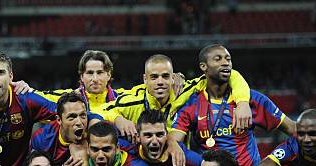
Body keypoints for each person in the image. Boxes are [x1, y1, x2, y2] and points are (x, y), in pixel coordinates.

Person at [170, 44, 316, 166]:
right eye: (218, 59)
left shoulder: (253, 100)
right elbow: (174, 143)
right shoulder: (191, 104)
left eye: (228, 59)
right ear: (204, 66)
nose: (225, 63)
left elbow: (293, 129)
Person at [96, 53, 252, 148]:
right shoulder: (132, 101)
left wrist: (243, 102)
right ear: (145, 79)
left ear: (172, 77)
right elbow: (97, 112)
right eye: (154, 77)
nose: (160, 82)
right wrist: (118, 119)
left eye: (165, 76)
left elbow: (229, 74)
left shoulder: (185, 91)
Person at [37, 50, 128, 112]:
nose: (95, 79)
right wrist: (24, 87)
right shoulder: (67, 99)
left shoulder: (123, 99)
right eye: (90, 73)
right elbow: (35, 97)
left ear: (108, 75)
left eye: (100, 73)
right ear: (82, 77)